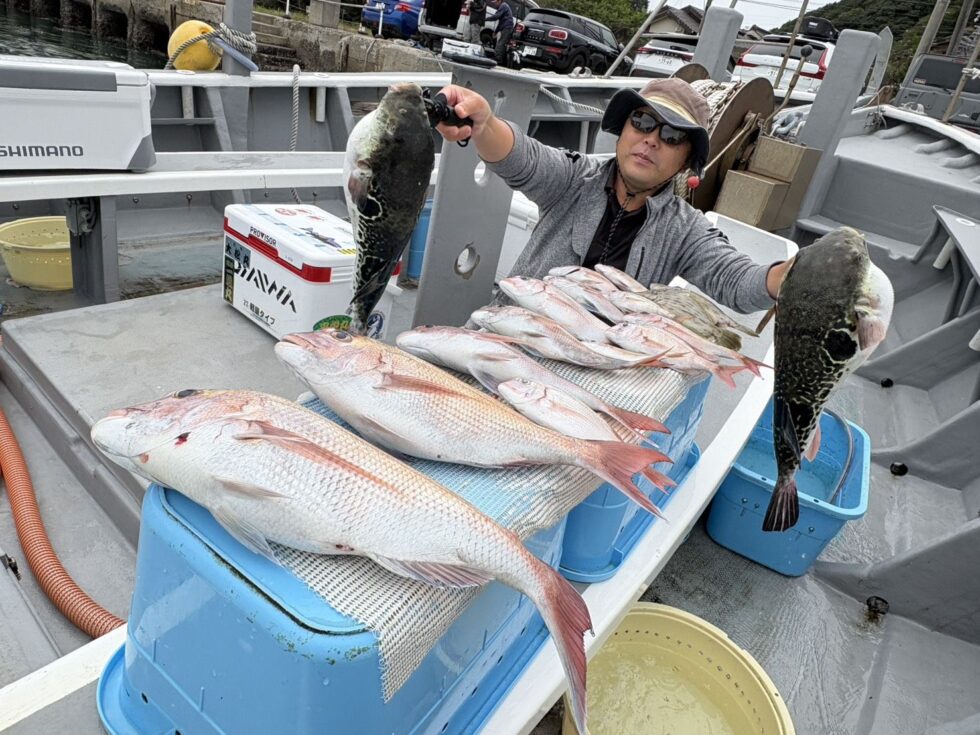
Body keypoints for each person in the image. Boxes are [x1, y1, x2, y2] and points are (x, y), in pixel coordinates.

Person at [434, 77, 792, 314]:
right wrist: (483, 125)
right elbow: (522, 159)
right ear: (623, 129)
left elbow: (734, 281)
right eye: (643, 122)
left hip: (593, 375)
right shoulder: (574, 177)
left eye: (672, 136)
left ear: (686, 161)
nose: (651, 139)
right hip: (508, 340)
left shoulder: (686, 230)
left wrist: (789, 278)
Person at [485, 0, 514, 68]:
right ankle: (498, 58)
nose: (495, 4)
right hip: (505, 27)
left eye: (495, 2)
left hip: (507, 27)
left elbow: (496, 16)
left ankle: (498, 60)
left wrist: (485, 19)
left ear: (499, 1)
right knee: (501, 43)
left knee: (501, 43)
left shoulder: (503, 5)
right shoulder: (503, 6)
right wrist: (495, 31)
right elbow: (500, 22)